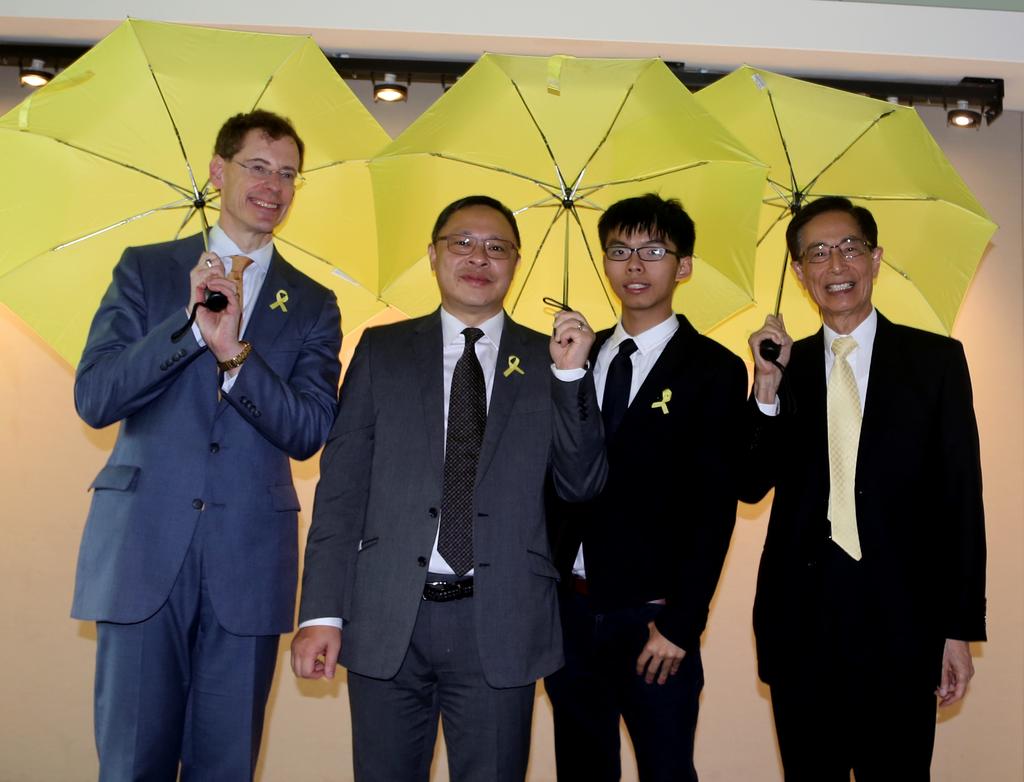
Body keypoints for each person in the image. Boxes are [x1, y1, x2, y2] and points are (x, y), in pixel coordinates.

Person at [291, 194, 608, 781]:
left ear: (515, 264)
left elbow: (582, 483)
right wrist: (321, 614)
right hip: (387, 613)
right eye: (461, 243)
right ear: (433, 256)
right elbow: (341, 492)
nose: (478, 257)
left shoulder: (551, 358)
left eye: (497, 247)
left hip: (501, 618)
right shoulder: (381, 351)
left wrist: (570, 377)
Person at [72, 110, 342, 780]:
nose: (273, 186)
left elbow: (309, 431)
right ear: (219, 171)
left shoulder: (313, 303)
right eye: (258, 167)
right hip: (143, 551)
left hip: (248, 561)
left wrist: (235, 357)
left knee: (226, 767)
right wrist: (191, 328)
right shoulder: (146, 270)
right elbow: (96, 397)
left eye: (288, 175)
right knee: (132, 763)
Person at [742, 196, 986, 781]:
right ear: (799, 272)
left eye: (849, 247)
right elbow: (750, 484)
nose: (836, 265)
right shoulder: (785, 366)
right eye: (817, 253)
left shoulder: (935, 361)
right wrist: (766, 388)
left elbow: (961, 501)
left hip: (904, 624)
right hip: (802, 625)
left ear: (875, 259)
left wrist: (958, 630)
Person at [544, 193, 747, 781]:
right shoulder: (573, 358)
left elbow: (714, 508)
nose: (634, 265)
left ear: (683, 266)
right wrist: (566, 373)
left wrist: (683, 623)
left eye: (654, 251)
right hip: (570, 612)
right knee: (581, 771)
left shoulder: (713, 369)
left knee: (666, 770)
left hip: (653, 619)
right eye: (619, 251)